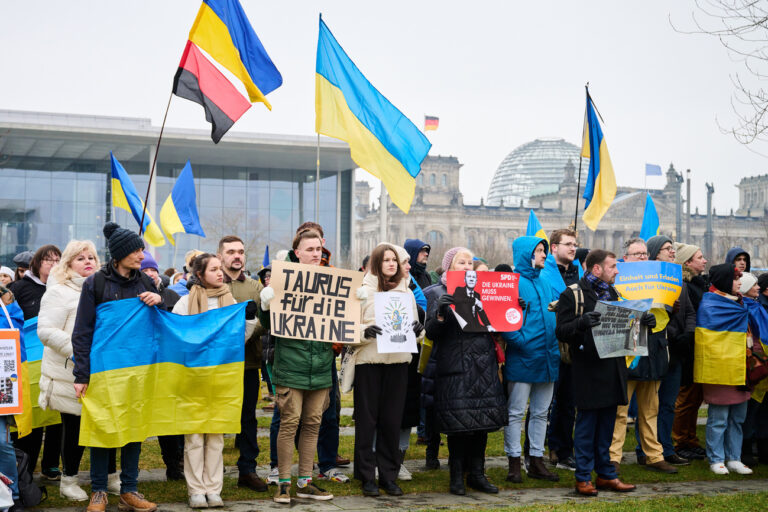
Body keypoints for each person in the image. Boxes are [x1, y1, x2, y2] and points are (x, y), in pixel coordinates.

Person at [71, 222, 160, 512]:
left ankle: (129, 491)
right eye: (136, 250)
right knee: (103, 428)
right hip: (104, 370)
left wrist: (160, 299)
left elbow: (164, 318)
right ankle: (99, 491)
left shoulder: (145, 282)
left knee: (134, 428)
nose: (141, 254)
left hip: (138, 371)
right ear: (120, 254)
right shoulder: (95, 283)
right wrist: (81, 374)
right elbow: (82, 332)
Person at [173, 253, 259, 508]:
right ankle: (195, 489)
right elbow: (176, 338)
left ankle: (213, 488)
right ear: (199, 275)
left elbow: (237, 341)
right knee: (195, 437)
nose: (219, 273)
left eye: (219, 269)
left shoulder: (229, 300)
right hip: (193, 379)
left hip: (221, 378)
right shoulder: (184, 303)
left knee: (216, 436)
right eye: (213, 269)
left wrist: (250, 319)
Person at [259, 229, 335, 505]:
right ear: (297, 252)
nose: (316, 254)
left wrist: (355, 304)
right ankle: (283, 483)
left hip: (321, 366)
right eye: (310, 249)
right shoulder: (283, 280)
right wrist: (265, 306)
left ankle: (305, 481)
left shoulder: (331, 281)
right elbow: (268, 327)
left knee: (313, 424)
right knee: (289, 424)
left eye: (319, 249)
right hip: (291, 366)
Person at [424, 247, 506, 496]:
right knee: (459, 426)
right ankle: (457, 476)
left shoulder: (484, 292)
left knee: (481, 423)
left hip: (483, 366)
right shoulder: (439, 292)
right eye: (462, 262)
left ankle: (478, 474)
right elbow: (431, 333)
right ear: (449, 266)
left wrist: (510, 309)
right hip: (456, 367)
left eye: (471, 263)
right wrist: (440, 313)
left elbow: (496, 328)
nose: (468, 267)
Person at [555, 249, 636, 496]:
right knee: (587, 427)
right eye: (613, 266)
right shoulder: (573, 293)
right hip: (587, 369)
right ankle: (583, 478)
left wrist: (643, 323)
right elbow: (561, 331)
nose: (617, 270)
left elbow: (625, 326)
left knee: (607, 426)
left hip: (613, 367)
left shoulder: (615, 293)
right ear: (597, 269)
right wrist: (581, 323)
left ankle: (606, 475)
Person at [355, 244, 421, 497]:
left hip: (398, 363)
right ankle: (366, 475)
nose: (392, 264)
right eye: (386, 260)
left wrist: (418, 331)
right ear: (376, 263)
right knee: (367, 423)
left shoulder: (408, 293)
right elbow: (350, 327)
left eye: (395, 260)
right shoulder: (362, 291)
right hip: (369, 362)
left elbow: (415, 329)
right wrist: (364, 331)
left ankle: (389, 476)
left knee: (392, 422)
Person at [36, 240, 99, 501]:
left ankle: (110, 477)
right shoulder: (58, 292)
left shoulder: (101, 289)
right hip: (69, 371)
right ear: (69, 264)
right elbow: (46, 331)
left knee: (102, 426)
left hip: (101, 370)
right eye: (80, 258)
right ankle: (69, 480)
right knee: (74, 428)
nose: (88, 262)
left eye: (92, 258)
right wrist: (79, 352)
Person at [609, 237, 677, 474]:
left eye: (645, 253)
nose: (642, 257)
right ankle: (613, 457)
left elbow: (665, 313)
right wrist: (636, 317)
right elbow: (612, 313)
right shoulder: (617, 280)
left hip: (654, 348)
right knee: (620, 410)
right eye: (636, 254)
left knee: (651, 409)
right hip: (628, 349)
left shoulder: (658, 281)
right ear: (625, 258)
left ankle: (654, 455)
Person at [502, 236, 559, 483]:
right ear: (526, 254)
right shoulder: (512, 283)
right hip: (523, 357)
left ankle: (536, 459)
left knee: (540, 412)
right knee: (515, 412)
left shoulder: (546, 282)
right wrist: (521, 342)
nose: (544, 255)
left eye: (544, 251)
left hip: (547, 357)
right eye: (538, 251)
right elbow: (503, 319)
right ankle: (514, 461)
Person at [636, 236, 695, 467]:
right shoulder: (645, 280)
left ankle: (666, 448)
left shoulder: (677, 280)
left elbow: (689, 311)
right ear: (654, 253)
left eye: (672, 248)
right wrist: (669, 331)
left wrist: (687, 334)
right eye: (667, 249)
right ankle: (644, 450)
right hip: (655, 347)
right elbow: (651, 314)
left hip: (676, 350)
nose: (672, 252)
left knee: (668, 403)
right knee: (648, 405)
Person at [216, 236, 269, 493]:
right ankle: (211, 471)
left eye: (240, 252)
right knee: (215, 418)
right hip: (215, 366)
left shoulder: (255, 288)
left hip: (248, 364)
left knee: (248, 418)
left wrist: (247, 328)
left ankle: (247, 469)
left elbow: (265, 321)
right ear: (220, 256)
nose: (237, 256)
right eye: (231, 252)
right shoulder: (210, 285)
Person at [9, 244, 64, 481]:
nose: (53, 265)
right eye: (48, 260)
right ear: (36, 264)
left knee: (57, 411)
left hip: (57, 357)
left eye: (57, 260)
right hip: (29, 360)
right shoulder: (19, 288)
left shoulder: (65, 289)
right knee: (32, 411)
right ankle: (25, 466)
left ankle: (51, 464)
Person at [697, 263, 753, 475]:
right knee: (718, 418)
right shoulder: (711, 303)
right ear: (724, 281)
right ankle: (716, 458)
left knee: (738, 417)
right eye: (736, 278)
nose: (740, 282)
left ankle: (734, 457)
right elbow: (707, 338)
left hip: (741, 366)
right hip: (720, 368)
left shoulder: (741, 303)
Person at [139, 251, 184, 481]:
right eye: (145, 270)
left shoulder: (172, 296)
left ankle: (176, 463)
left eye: (153, 270)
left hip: (170, 364)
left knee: (173, 416)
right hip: (144, 366)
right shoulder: (134, 297)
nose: (150, 274)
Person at [547, 229, 580, 471]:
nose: (573, 248)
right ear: (553, 247)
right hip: (549, 343)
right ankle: (542, 449)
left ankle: (565, 449)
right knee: (545, 403)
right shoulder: (545, 273)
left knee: (568, 401)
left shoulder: (578, 273)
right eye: (568, 244)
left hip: (572, 344)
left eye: (575, 244)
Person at [672, 243, 709, 462]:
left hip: (697, 345)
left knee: (695, 398)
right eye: (700, 257)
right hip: (685, 346)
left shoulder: (699, 283)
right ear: (687, 262)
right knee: (685, 399)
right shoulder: (683, 285)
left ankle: (691, 439)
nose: (704, 260)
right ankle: (680, 441)